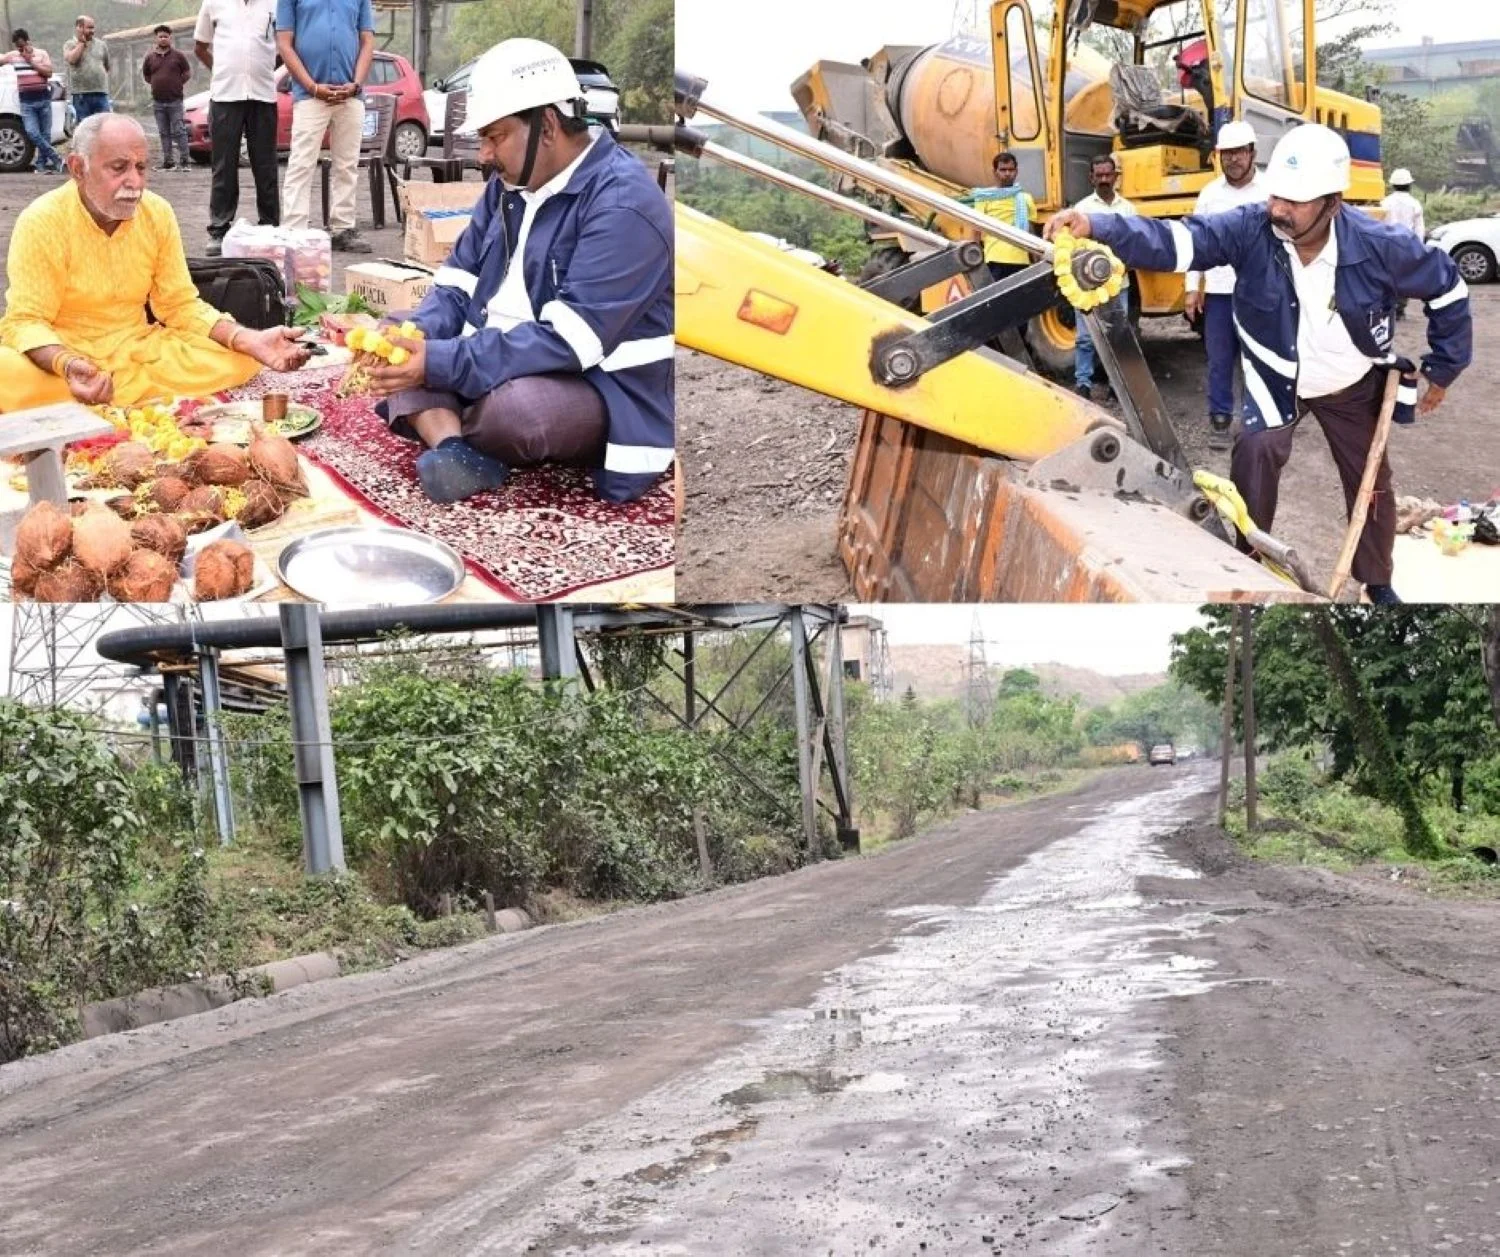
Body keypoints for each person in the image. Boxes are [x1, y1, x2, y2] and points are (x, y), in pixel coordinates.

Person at [1045, 123, 1472, 605]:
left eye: (1294, 202)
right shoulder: (1251, 228)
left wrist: (1443, 367)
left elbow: (1449, 287)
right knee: (1255, 450)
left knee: (1372, 481)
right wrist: (1099, 226)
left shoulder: (1379, 245)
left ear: (1332, 202)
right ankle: (1250, 559)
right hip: (1275, 377)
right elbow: (1177, 243)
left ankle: (1376, 580)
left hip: (1351, 384)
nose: (1278, 209)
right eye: (1276, 197)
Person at [364, 39, 673, 506]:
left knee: (517, 413)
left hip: (594, 383)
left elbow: (572, 342)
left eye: (495, 136)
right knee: (393, 336)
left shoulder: (623, 204)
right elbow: (454, 284)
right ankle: (455, 451)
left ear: (547, 124)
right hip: (493, 355)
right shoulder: (506, 187)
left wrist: (441, 364)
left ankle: (447, 423)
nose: (484, 155)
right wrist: (417, 338)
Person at [0, 114, 310, 413]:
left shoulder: (157, 212)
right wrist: (67, 365)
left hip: (139, 349)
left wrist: (249, 339)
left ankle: (107, 399)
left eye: (141, 168)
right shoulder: (41, 221)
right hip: (67, 355)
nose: (134, 182)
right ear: (78, 168)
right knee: (8, 373)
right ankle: (104, 393)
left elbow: (179, 305)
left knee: (242, 358)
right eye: (118, 168)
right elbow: (25, 322)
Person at [1183, 119, 1267, 449]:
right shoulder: (1209, 195)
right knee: (1218, 358)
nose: (1233, 159)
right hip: (1218, 292)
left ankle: (1254, 422)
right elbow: (1195, 243)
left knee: (1256, 358)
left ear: (1252, 153)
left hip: (1259, 293)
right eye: (1226, 154)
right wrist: (1192, 287)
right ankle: (1219, 419)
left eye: (1239, 153)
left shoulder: (1271, 191)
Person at [275, 0, 375, 254]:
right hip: (310, 96)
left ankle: (343, 229)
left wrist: (356, 84)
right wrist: (312, 87)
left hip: (350, 95)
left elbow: (367, 41)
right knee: (301, 163)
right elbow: (285, 44)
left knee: (347, 165)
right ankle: (294, 230)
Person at [194, 0, 280, 258]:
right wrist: (219, 69)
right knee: (223, 165)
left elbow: (286, 44)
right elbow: (200, 46)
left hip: (263, 95)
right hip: (225, 96)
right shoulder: (213, 2)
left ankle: (270, 226)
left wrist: (263, 69)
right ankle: (219, 230)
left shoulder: (275, 4)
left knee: (266, 165)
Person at [1071, 154, 1136, 399]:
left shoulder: (1128, 209)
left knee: (1118, 338)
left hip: (1120, 284)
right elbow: (1074, 249)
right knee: (1085, 338)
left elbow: (1136, 243)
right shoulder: (1081, 209)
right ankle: (1083, 383)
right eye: (1099, 175)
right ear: (1091, 178)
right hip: (1087, 285)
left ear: (1116, 177)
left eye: (1108, 174)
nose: (1104, 179)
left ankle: (1116, 385)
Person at [963, 150, 1037, 284]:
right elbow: (976, 231)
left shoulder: (1025, 198)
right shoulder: (984, 198)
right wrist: (975, 263)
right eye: (1003, 170)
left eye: (1011, 170)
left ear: (1016, 172)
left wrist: (1037, 262)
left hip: (1020, 260)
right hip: (995, 260)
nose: (1007, 174)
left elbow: (1030, 232)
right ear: (995, 172)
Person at [0, 30, 61, 174]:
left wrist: (31, 61)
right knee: (32, 132)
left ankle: (41, 165)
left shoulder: (41, 54)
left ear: (28, 41)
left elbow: (49, 72)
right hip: (26, 102)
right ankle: (56, 157)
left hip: (43, 99)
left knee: (45, 134)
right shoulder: (14, 56)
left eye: (22, 46)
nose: (21, 50)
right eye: (18, 47)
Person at [142, 25, 192, 171]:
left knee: (179, 130)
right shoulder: (150, 58)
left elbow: (187, 73)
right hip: (158, 102)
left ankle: (184, 162)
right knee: (164, 132)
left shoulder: (179, 56)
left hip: (175, 101)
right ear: (155, 39)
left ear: (170, 38)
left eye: (166, 36)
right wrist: (158, 83)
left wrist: (176, 83)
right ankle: (168, 162)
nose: (163, 39)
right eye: (160, 36)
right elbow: (147, 76)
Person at [1382, 168, 1425, 320]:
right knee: (1403, 277)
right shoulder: (1415, 204)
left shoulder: (1384, 202)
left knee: (1387, 276)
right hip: (1407, 245)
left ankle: (1387, 306)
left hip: (1387, 244)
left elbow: (1377, 225)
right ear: (1409, 185)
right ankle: (1400, 308)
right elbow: (1419, 228)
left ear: (1393, 185)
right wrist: (1419, 248)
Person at [62, 15, 111, 124]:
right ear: (79, 27)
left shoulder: (101, 45)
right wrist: (81, 44)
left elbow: (107, 66)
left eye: (93, 28)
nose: (92, 31)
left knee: (104, 126)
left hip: (101, 93)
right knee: (85, 128)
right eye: (89, 28)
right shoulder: (69, 44)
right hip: (81, 95)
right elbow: (72, 60)